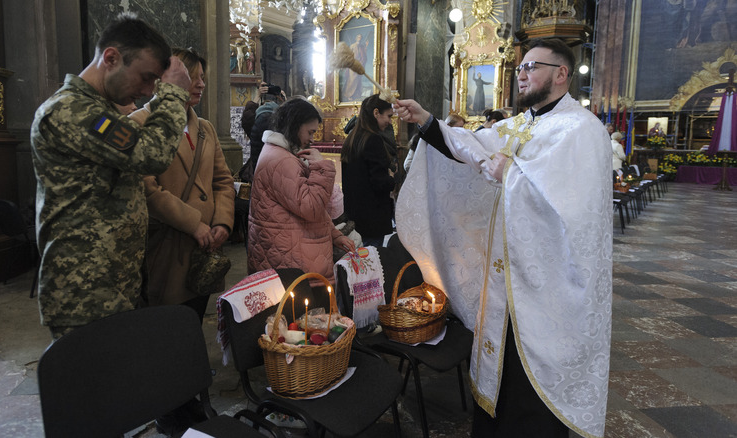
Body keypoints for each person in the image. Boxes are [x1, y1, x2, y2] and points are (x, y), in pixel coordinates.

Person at [394, 38, 612, 438]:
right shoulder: (522, 124)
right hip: (508, 286)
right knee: (501, 380)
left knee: (531, 396)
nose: (522, 75)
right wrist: (426, 121)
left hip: (547, 292)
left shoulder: (581, 130)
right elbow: (474, 147)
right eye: (520, 68)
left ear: (561, 74)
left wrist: (508, 176)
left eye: (532, 67)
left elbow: (573, 211)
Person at [30, 12, 191, 339]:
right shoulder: (69, 110)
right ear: (111, 58)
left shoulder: (100, 112)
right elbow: (152, 154)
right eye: (146, 78)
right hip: (83, 290)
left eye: (155, 84)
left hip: (109, 283)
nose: (148, 91)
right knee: (93, 385)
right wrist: (174, 94)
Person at [129, 47, 234, 321]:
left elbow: (222, 180)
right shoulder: (139, 123)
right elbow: (146, 188)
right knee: (167, 322)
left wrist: (222, 222)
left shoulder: (206, 128)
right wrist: (193, 224)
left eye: (202, 77)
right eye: (193, 77)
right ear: (169, 79)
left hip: (206, 245)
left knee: (196, 313)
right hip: (169, 243)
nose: (200, 84)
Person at [247, 98, 355, 282]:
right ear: (295, 126)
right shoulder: (282, 160)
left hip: (290, 251)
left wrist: (334, 235)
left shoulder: (280, 153)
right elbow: (311, 207)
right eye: (310, 132)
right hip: (290, 258)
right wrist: (323, 168)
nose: (312, 139)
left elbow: (308, 205)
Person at [341, 94, 397, 248]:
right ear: (376, 113)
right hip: (372, 217)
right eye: (389, 116)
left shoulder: (352, 138)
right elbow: (380, 182)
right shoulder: (373, 140)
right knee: (371, 263)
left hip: (355, 215)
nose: (389, 122)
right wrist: (392, 178)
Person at [247, 84, 286, 182]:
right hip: (278, 172)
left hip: (257, 170)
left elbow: (246, 118)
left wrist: (257, 96)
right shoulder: (280, 120)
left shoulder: (255, 119)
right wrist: (285, 101)